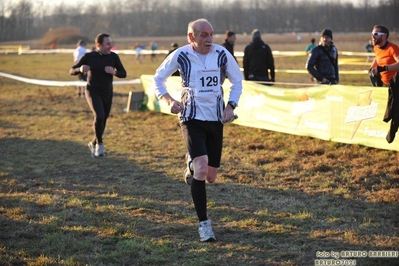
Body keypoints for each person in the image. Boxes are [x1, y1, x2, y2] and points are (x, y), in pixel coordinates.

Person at [153, 18, 242, 242]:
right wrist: (167, 100)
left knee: (210, 176)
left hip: (215, 120)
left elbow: (237, 80)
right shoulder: (181, 55)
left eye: (211, 34)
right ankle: (204, 225)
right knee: (202, 170)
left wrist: (231, 106)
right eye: (204, 35)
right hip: (191, 118)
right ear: (191, 37)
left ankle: (191, 162)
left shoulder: (221, 54)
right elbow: (158, 78)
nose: (209, 39)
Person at [69, 33, 127, 158]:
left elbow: (123, 73)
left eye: (111, 43)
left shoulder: (113, 57)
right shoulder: (89, 56)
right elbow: (72, 70)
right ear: (99, 45)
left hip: (107, 92)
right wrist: (80, 69)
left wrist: (114, 72)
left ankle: (93, 142)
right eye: (108, 44)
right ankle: (99, 145)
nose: (110, 46)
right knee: (99, 115)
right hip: (92, 90)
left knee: (103, 119)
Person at [369, 25, 399, 143]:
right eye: (372, 33)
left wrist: (384, 68)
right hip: (383, 85)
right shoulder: (377, 48)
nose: (372, 36)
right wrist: (372, 68)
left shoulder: (393, 48)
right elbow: (377, 58)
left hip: (396, 84)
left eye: (375, 34)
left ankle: (392, 131)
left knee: (395, 111)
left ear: (384, 36)